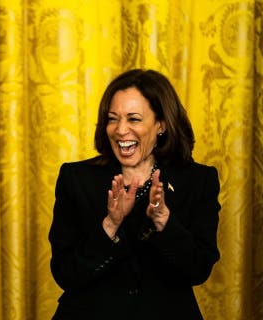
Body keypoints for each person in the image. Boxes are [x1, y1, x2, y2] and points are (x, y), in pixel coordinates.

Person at [48, 69, 220, 319]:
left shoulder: (197, 180)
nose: (120, 130)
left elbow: (198, 270)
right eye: (113, 119)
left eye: (134, 119)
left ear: (161, 124)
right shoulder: (76, 178)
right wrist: (111, 224)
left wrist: (164, 221)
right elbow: (65, 273)